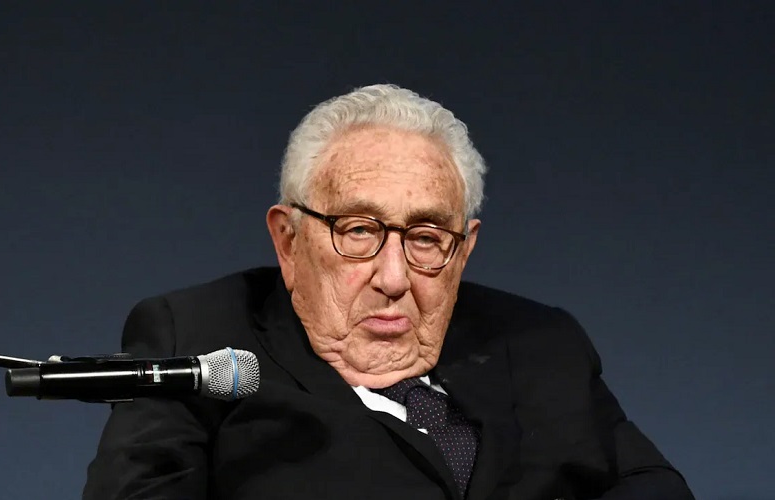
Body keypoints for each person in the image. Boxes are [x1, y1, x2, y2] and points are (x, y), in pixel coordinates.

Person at [84, 84, 694, 500]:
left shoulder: (541, 343)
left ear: (464, 249)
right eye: (358, 231)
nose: (394, 278)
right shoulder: (198, 341)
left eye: (426, 237)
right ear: (288, 241)